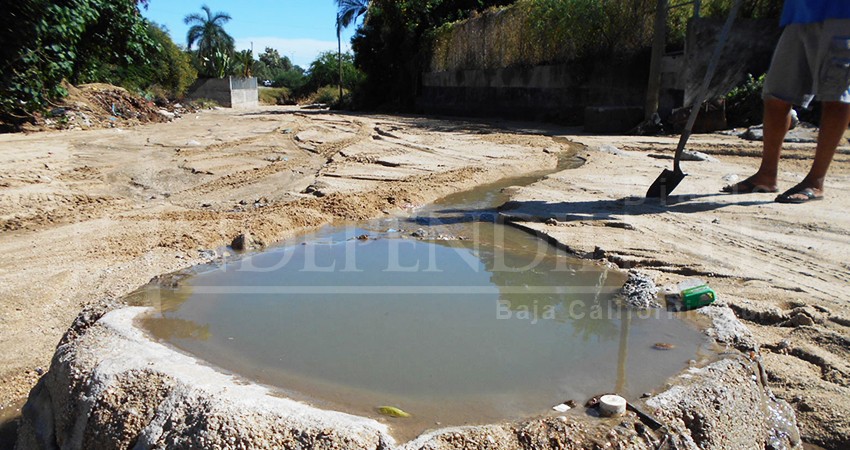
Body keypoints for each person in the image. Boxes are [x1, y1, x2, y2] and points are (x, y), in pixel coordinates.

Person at [722, 0, 850, 203]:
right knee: (776, 95)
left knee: (835, 95)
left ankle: (815, 181)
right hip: (800, 12)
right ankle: (766, 175)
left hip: (842, 13)